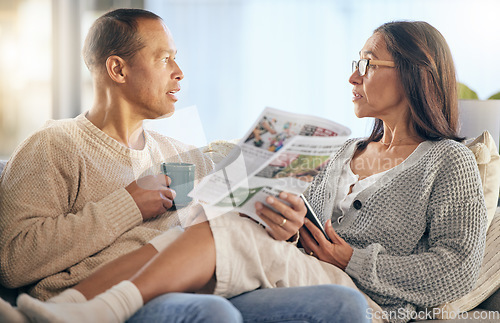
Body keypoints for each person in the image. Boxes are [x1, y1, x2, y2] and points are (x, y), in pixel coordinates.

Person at [6, 17, 488, 323]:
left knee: (226, 225)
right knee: (228, 223)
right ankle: (69, 310)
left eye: (367, 62)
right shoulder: (340, 152)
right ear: (116, 69)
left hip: (357, 290)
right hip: (288, 269)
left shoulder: (449, 161)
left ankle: (75, 312)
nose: (352, 76)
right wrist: (284, 219)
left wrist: (350, 259)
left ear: (412, 72)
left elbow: (458, 271)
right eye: (166, 59)